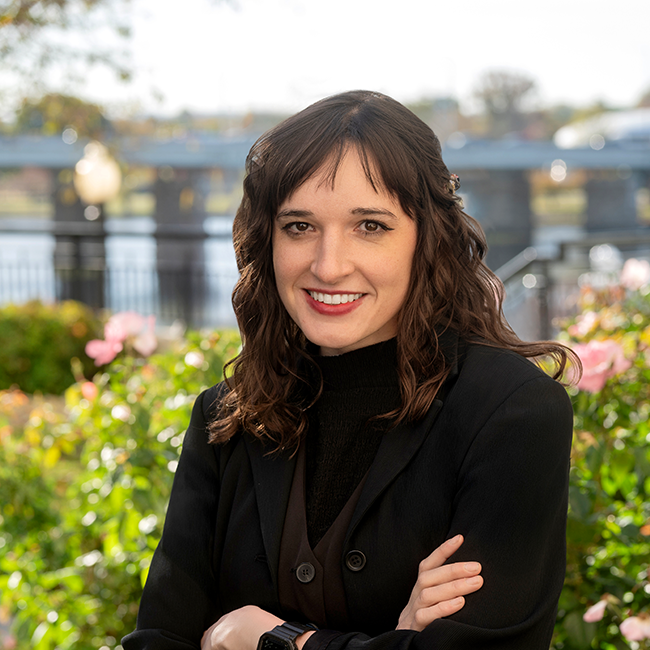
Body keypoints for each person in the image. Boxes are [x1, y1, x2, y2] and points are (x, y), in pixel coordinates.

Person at [122, 90, 576, 650]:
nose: (328, 265)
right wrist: (394, 641)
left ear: (426, 238)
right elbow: (157, 640)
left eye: (370, 226)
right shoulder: (227, 417)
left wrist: (279, 640)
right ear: (269, 241)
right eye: (299, 227)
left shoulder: (513, 415)